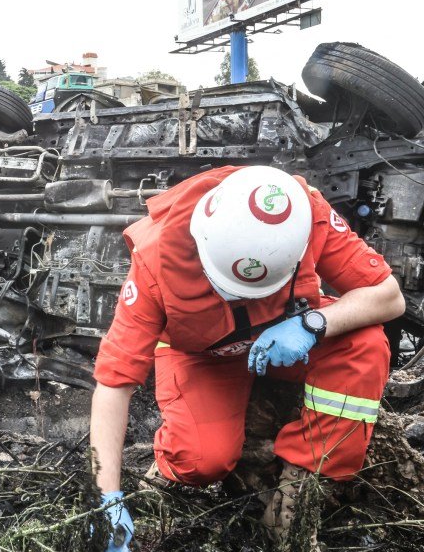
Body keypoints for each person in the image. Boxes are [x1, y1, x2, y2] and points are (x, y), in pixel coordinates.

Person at [88, 166, 405, 550]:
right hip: (204, 356)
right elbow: (114, 382)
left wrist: (313, 325)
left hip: (286, 339)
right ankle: (166, 477)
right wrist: (105, 498)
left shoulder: (304, 214)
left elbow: (389, 296)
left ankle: (294, 501)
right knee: (201, 460)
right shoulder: (156, 259)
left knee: (365, 344)